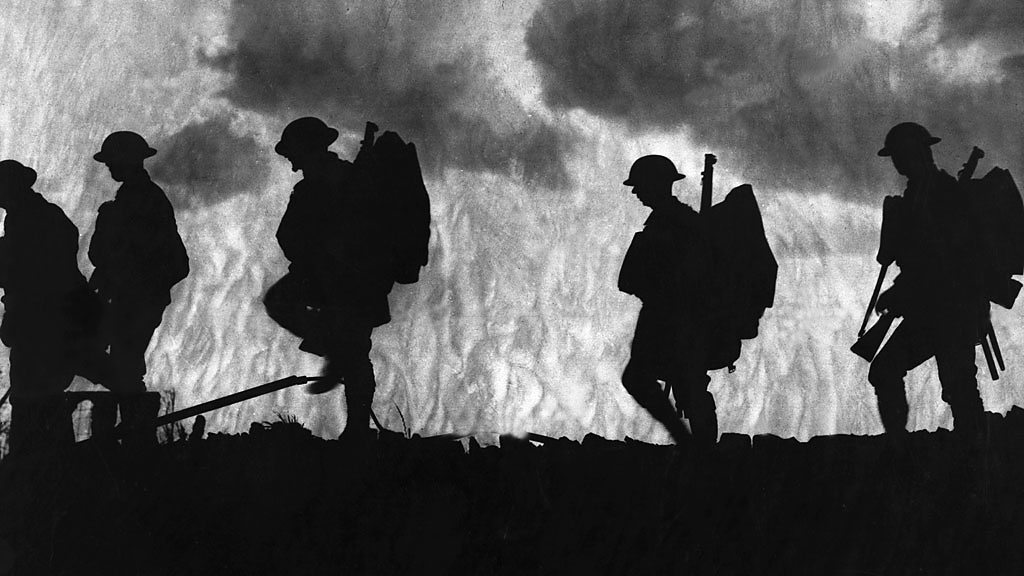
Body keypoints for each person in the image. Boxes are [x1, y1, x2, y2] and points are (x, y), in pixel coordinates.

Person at [265, 117, 393, 441]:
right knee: (351, 349)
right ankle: (335, 354)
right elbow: (289, 235)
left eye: (293, 151)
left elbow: (368, 231)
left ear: (306, 149)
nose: (291, 160)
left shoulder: (335, 181)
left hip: (351, 282)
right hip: (334, 279)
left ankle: (357, 430)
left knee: (353, 350)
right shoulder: (328, 181)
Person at [869, 122, 987, 437]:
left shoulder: (944, 193)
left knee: (959, 389)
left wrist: (900, 293)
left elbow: (944, 261)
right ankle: (899, 446)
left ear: (917, 152)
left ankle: (975, 456)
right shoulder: (917, 196)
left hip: (953, 311)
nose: (897, 162)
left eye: (901, 154)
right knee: (885, 371)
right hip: (929, 313)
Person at [88, 131, 189, 443]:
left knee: (123, 362)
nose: (109, 166)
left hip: (136, 298)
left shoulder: (141, 199)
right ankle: (134, 429)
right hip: (132, 297)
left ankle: (136, 433)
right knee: (122, 363)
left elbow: (141, 256)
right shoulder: (133, 197)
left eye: (113, 160)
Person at [618, 155, 717, 447]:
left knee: (650, 379)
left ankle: (690, 444)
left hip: (672, 316)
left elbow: (678, 274)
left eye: (640, 185)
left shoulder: (671, 222)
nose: (636, 192)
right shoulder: (674, 219)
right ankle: (694, 445)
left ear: (656, 184)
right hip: (672, 315)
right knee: (685, 381)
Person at [0, 160, 91, 452]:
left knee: (34, 393)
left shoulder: (28, 220)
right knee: (42, 392)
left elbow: (26, 271)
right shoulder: (38, 216)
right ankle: (47, 460)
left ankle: (34, 462)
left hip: (40, 321)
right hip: (48, 321)